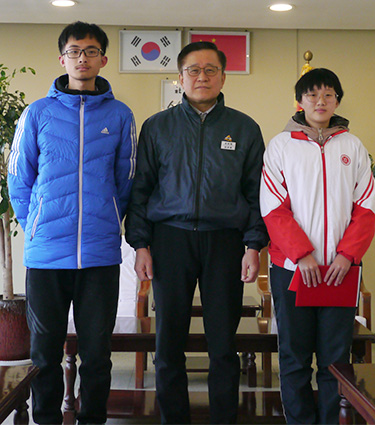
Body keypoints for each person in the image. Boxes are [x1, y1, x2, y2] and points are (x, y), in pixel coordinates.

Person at [125, 41, 268, 424]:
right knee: (168, 343)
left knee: (223, 344)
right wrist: (141, 244)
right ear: (180, 77)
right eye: (193, 70)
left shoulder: (244, 128)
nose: (201, 77)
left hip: (226, 242)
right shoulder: (158, 127)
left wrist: (253, 244)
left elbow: (257, 193)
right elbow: (141, 190)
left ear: (223, 77)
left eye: (210, 70)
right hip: (170, 239)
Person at [7, 21, 136, 425]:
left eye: (91, 51)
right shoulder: (37, 113)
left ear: (103, 59)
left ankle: (92, 419)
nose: (83, 58)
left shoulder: (119, 115)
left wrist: (109, 217)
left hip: (99, 253)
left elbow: (127, 179)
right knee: (44, 354)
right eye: (75, 51)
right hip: (47, 254)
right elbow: (18, 177)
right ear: (62, 59)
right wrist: (36, 224)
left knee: (97, 354)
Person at [259, 68, 375, 424]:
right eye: (312, 94)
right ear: (300, 101)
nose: (320, 101)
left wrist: (347, 255)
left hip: (341, 271)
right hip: (293, 270)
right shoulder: (280, 146)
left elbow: (367, 207)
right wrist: (302, 254)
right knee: (294, 358)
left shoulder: (353, 147)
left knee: (335, 360)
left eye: (328, 94)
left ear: (337, 101)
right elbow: (272, 208)